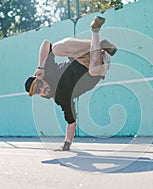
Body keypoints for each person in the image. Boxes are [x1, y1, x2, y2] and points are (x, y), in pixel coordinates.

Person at [24, 16, 117, 151]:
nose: (41, 89)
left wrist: (41, 66)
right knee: (93, 69)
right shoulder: (61, 98)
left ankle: (98, 44)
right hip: (96, 68)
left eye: (39, 85)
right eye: (37, 91)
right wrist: (66, 145)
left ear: (40, 79)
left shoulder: (48, 72)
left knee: (56, 48)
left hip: (80, 58)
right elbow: (71, 122)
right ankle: (95, 33)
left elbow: (46, 43)